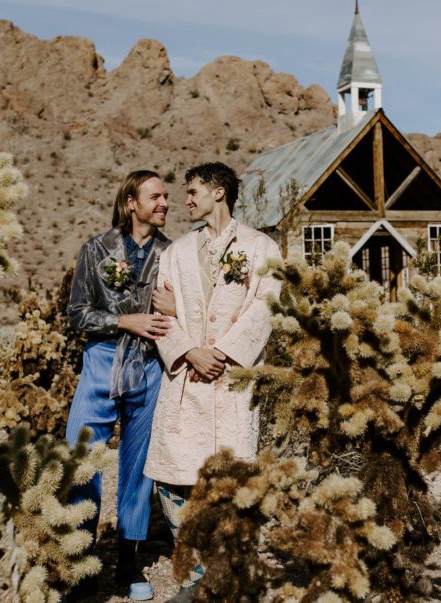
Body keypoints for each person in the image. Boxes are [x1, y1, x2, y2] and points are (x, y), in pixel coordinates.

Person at [146, 161, 281, 602]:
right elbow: (162, 314)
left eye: (193, 191)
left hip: (231, 379)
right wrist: (190, 351)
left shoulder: (261, 247)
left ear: (219, 192)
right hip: (186, 378)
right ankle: (193, 576)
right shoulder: (176, 252)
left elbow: (266, 306)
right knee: (173, 476)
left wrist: (222, 352)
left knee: (231, 480)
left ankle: (230, 574)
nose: (185, 200)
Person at [66, 170, 172, 601]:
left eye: (166, 196)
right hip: (102, 360)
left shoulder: (172, 254)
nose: (165, 203)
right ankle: (78, 559)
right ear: (131, 202)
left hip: (149, 366)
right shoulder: (95, 249)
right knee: (80, 455)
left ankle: (129, 561)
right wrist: (124, 320)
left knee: (139, 463)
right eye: (156, 196)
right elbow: (77, 313)